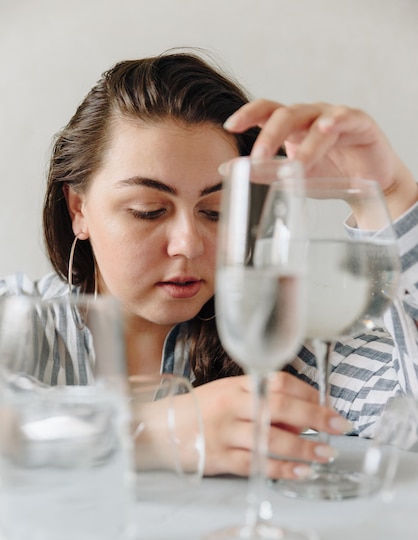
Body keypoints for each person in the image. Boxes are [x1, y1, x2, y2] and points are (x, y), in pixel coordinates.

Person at [1, 50, 417, 478]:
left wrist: (390, 193)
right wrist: (152, 434)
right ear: (78, 210)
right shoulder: (18, 318)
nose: (188, 244)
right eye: (148, 210)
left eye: (216, 211)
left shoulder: (280, 343)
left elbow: (410, 412)